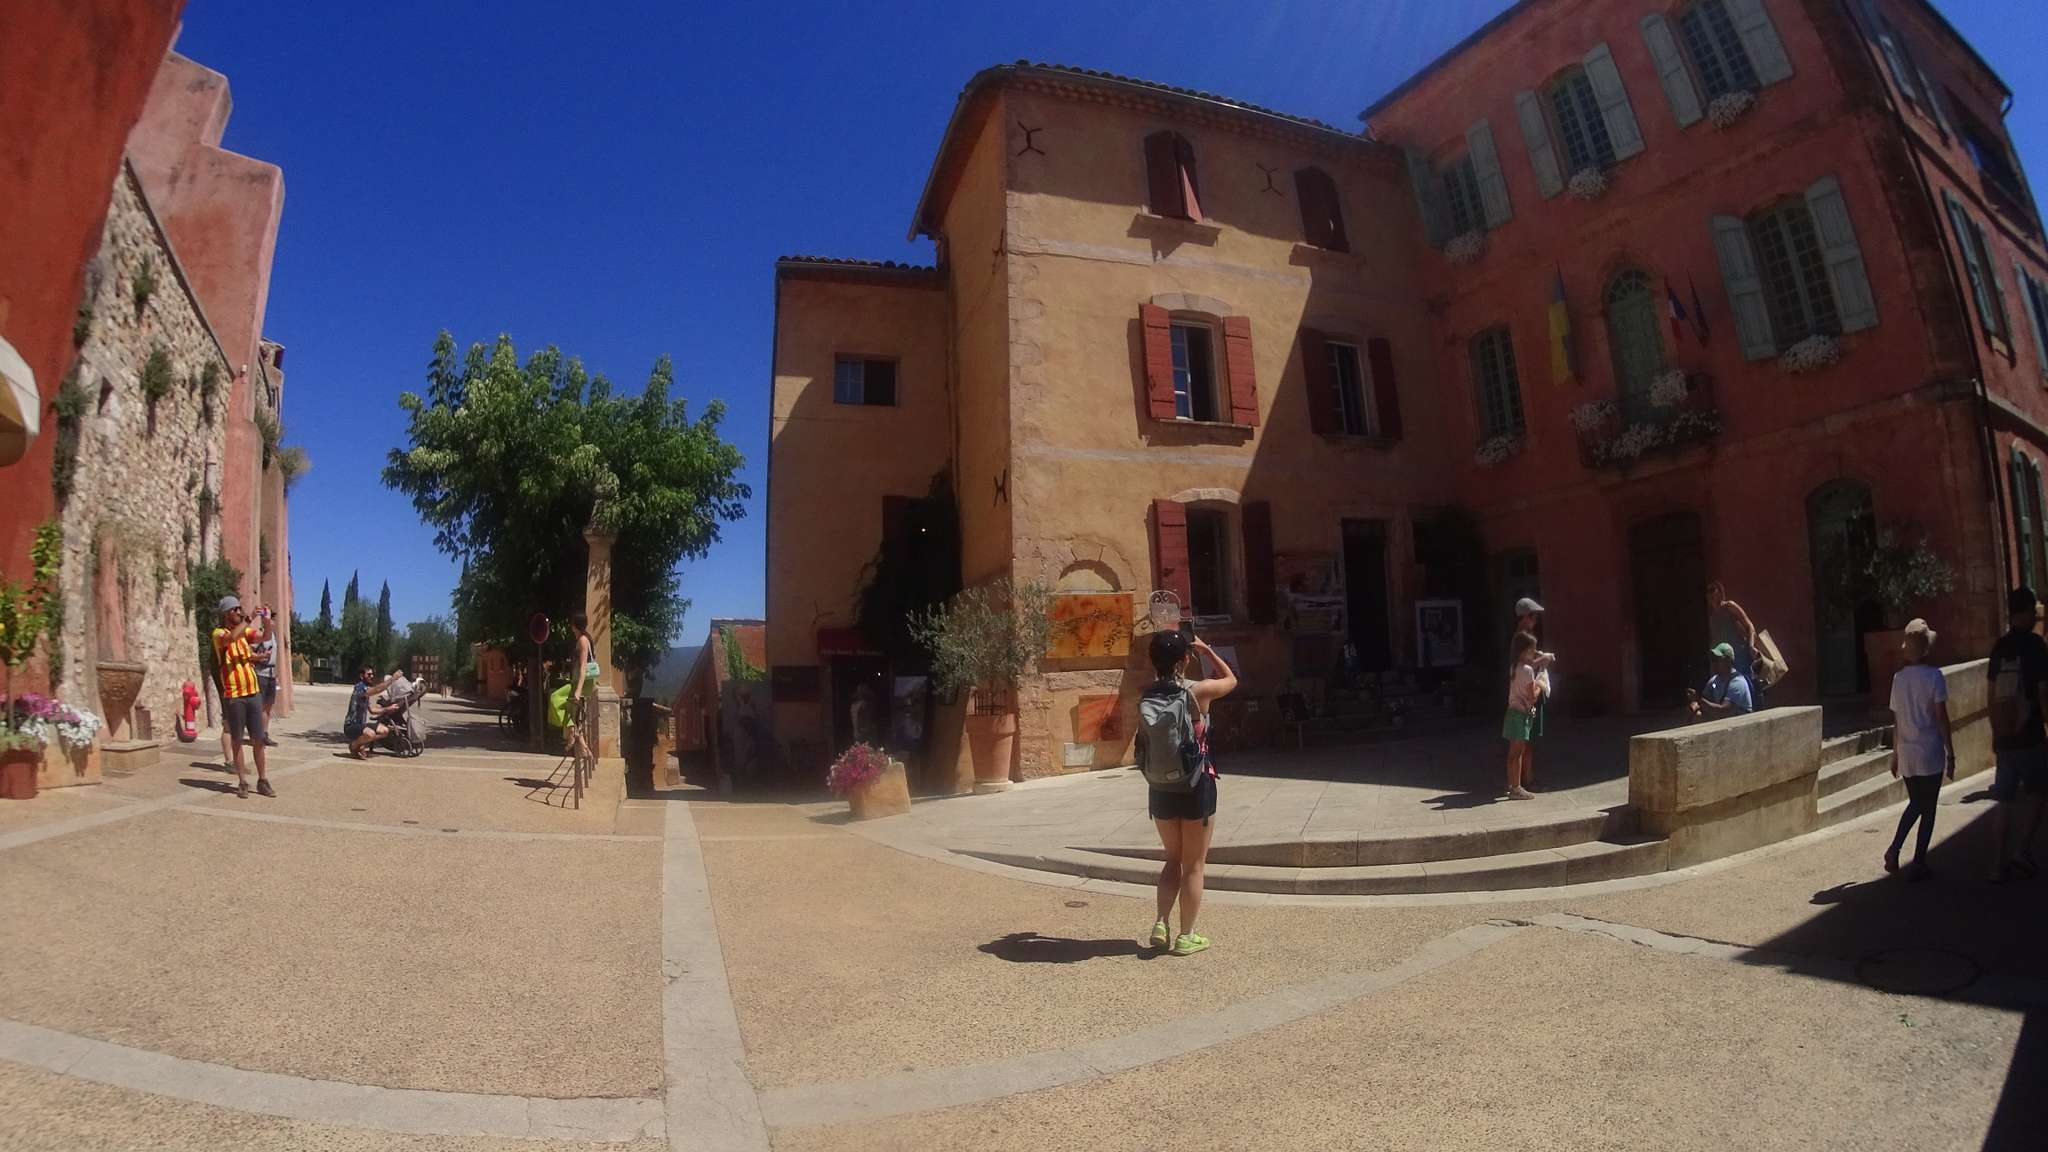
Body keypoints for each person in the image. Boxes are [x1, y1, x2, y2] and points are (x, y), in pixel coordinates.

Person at [1142, 629, 1236, 957]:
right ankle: (1187, 935)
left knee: (1172, 859)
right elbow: (1231, 680)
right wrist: (1207, 651)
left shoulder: (1147, 695)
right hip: (1196, 785)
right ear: (1185, 658)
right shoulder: (1199, 691)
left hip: (1160, 788)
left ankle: (1160, 922)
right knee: (1194, 865)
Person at [1985, 586, 2048, 882]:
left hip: (2004, 736)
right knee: (2038, 794)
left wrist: (1995, 730)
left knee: (2004, 801)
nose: (2036, 616)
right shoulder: (2036, 646)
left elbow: (1990, 694)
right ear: (2024, 613)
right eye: (2033, 611)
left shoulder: (1999, 647)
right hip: (2030, 734)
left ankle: (1997, 865)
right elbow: (2043, 693)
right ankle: (2022, 849)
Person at [1885, 620, 1954, 881]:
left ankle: (1894, 849)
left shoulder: (1898, 679)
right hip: (1929, 750)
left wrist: (1895, 754)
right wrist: (1951, 752)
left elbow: (1897, 720)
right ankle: (1918, 861)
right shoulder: (1934, 676)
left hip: (1907, 751)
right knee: (1928, 807)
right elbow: (1942, 717)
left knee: (1915, 802)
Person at [211, 596, 274, 798]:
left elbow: (264, 637)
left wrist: (266, 621)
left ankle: (263, 780)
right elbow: (230, 639)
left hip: (253, 693)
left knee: (258, 739)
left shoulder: (245, 634)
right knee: (237, 739)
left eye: (240, 609)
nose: (239, 612)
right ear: (227, 613)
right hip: (234, 695)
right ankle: (242, 782)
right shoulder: (219, 634)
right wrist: (249, 618)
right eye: (236, 609)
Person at [1512, 598, 1556, 787]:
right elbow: (1524, 664)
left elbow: (1530, 656)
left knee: (1528, 739)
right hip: (1527, 693)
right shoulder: (1521, 637)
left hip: (1528, 690)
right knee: (1526, 740)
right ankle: (1526, 779)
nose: (1535, 620)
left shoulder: (1526, 635)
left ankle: (1526, 778)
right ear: (1525, 616)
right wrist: (1543, 660)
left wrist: (1541, 655)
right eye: (1533, 616)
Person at [1706, 581, 1764, 705]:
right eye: (1708, 592)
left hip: (1740, 655)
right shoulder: (1712, 617)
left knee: (1749, 684)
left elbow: (1749, 626)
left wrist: (1751, 646)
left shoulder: (1730, 606)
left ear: (1720, 592)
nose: (1710, 594)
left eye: (1712, 590)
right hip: (1726, 659)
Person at [1503, 631, 1541, 800]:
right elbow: (1532, 696)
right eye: (1532, 649)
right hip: (1521, 714)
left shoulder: (1514, 667)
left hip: (1512, 713)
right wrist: (1540, 685)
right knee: (1518, 752)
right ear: (1524, 651)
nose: (1534, 652)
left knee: (1512, 753)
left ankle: (1512, 784)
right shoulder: (1528, 671)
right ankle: (1516, 788)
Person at [1687, 643, 1754, 719]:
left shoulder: (1737, 682)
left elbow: (1724, 711)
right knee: (1697, 715)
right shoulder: (1714, 680)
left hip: (1740, 721)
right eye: (1713, 660)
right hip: (1725, 720)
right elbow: (1705, 699)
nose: (1713, 663)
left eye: (1717, 660)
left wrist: (1699, 700)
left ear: (1728, 661)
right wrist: (1694, 704)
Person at [344, 664, 397, 759]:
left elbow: (372, 710)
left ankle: (360, 743)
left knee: (384, 731)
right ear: (361, 676)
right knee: (370, 734)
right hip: (351, 726)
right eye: (369, 674)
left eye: (372, 674)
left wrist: (388, 708)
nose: (371, 676)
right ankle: (354, 746)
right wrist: (392, 679)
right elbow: (377, 689)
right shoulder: (360, 688)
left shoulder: (365, 690)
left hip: (361, 725)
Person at [253, 619, 281, 746]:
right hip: (261, 673)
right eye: (271, 619)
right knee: (260, 706)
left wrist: (276, 674)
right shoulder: (260, 635)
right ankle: (256, 734)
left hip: (271, 674)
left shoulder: (273, 636)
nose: (273, 621)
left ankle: (264, 734)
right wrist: (261, 656)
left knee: (268, 706)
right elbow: (251, 652)